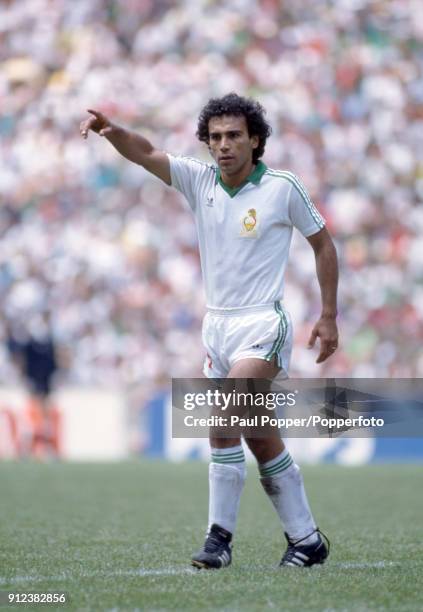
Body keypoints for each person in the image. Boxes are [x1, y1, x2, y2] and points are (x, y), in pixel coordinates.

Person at [80, 93, 339, 569]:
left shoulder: (282, 187)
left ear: (255, 140)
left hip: (263, 322)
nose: (223, 145)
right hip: (215, 327)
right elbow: (147, 152)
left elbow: (322, 244)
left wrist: (328, 315)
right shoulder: (200, 180)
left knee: (221, 419)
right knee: (259, 436)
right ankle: (307, 540)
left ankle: (218, 541)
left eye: (234, 136)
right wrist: (114, 134)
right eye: (215, 137)